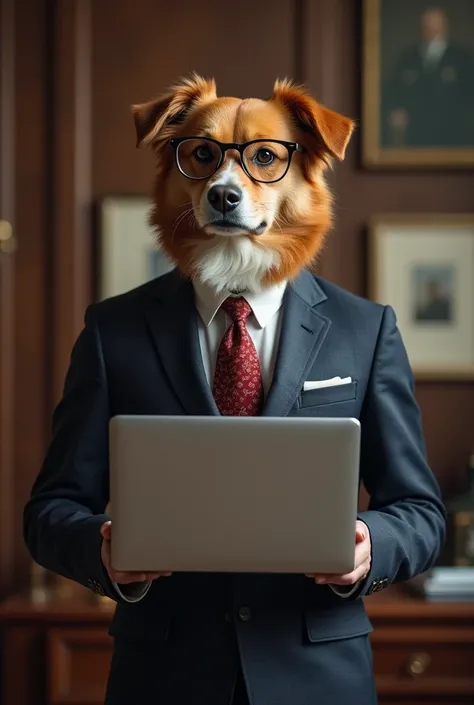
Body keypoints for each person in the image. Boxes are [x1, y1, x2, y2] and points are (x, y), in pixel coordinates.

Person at [23, 74, 446, 705]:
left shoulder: (366, 330)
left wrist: (368, 547)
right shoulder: (114, 331)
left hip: (317, 676)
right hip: (163, 677)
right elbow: (51, 510)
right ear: (175, 169)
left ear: (308, 169)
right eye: (203, 156)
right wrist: (103, 550)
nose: (227, 185)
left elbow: (420, 513)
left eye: (265, 159)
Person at [383, 6, 474, 147]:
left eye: (435, 23)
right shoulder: (407, 58)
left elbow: (468, 93)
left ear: (444, 26)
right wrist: (397, 110)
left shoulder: (461, 58)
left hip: (453, 130)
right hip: (417, 129)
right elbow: (394, 91)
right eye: (426, 24)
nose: (430, 28)